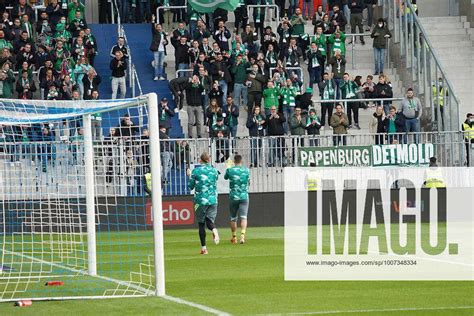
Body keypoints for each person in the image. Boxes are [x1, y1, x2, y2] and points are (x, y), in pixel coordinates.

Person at [187, 152, 220, 255]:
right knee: (209, 219)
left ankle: (204, 248)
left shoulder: (196, 171)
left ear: (200, 160)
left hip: (200, 200)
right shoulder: (214, 170)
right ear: (209, 160)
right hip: (213, 199)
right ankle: (213, 229)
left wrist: (189, 175)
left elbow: (190, 186)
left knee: (201, 223)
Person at [224, 154, 250, 244]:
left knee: (233, 218)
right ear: (241, 161)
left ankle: (234, 237)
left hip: (233, 197)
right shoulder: (246, 170)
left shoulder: (230, 170)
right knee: (244, 217)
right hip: (244, 196)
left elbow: (225, 177)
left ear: (234, 161)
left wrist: (228, 167)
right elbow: (248, 182)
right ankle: (242, 236)